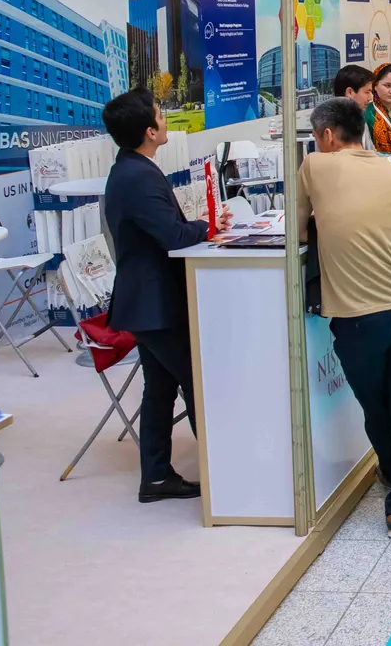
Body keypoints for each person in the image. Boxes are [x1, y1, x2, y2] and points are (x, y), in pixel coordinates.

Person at [294, 97, 391, 539]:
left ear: (326, 136)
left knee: (375, 404)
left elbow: (297, 230)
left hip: (359, 316)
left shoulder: (314, 165)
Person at [101, 88, 229, 503]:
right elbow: (172, 236)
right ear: (149, 130)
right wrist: (207, 227)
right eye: (160, 114)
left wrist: (203, 225)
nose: (166, 119)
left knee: (159, 389)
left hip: (149, 302)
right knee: (195, 380)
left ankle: (156, 477)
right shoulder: (138, 176)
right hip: (154, 304)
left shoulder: (132, 168)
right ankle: (226, 477)